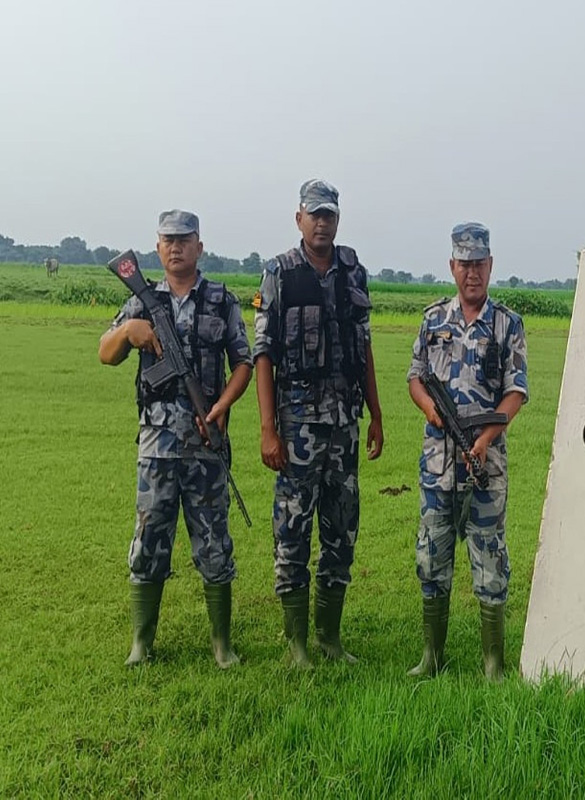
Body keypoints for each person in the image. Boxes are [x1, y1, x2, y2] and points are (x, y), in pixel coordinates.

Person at [98, 209, 252, 669]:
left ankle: (222, 645)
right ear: (157, 246)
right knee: (149, 541)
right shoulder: (142, 301)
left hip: (206, 445)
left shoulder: (221, 300)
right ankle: (141, 644)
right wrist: (129, 331)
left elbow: (242, 362)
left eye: (184, 239)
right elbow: (106, 354)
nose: (176, 247)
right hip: (157, 447)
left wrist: (222, 406)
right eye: (168, 240)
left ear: (199, 246)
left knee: (214, 544)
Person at [252, 179, 384, 668]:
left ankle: (329, 638)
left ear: (337, 219)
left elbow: (364, 346)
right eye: (315, 214)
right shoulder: (280, 274)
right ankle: (297, 645)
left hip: (345, 424)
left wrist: (375, 413)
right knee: (292, 530)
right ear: (299, 218)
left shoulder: (354, 272)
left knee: (341, 529)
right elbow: (263, 354)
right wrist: (268, 429)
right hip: (298, 426)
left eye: (329, 214)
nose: (322, 222)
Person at [405, 222, 528, 681]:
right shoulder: (433, 320)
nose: (472, 273)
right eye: (464, 264)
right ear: (452, 267)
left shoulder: (507, 324)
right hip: (438, 464)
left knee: (489, 557)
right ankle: (432, 657)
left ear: (490, 266)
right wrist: (430, 412)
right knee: (432, 556)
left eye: (479, 264)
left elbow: (516, 391)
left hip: (486, 465)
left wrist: (483, 439)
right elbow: (416, 377)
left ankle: (492, 664)